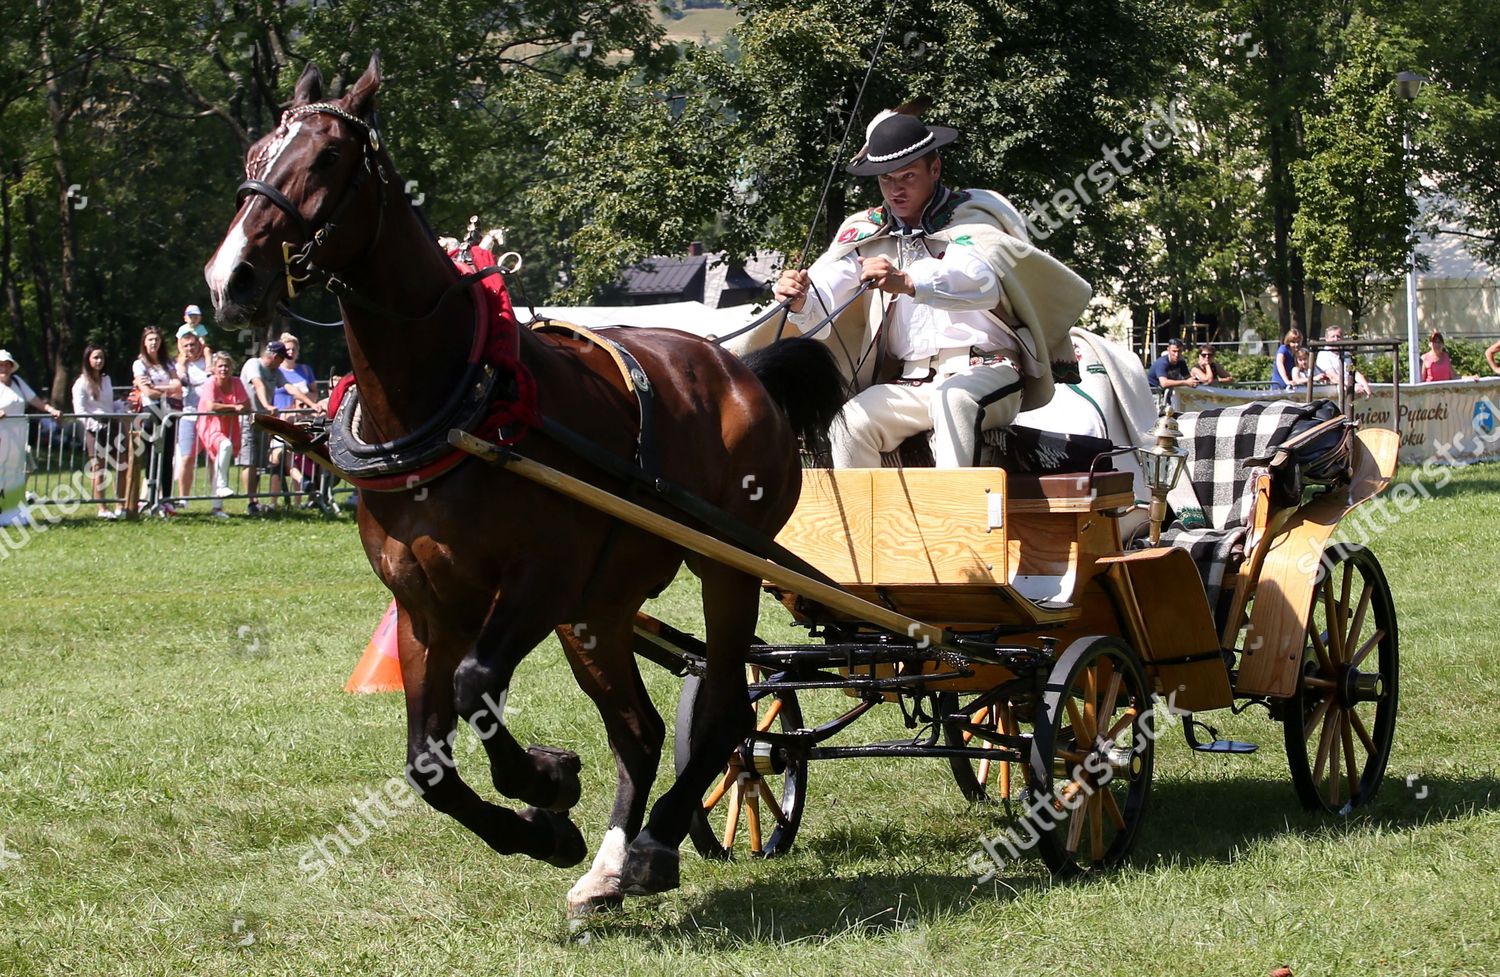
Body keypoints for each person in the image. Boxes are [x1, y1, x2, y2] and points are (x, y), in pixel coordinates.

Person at [771, 108, 1091, 467]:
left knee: (953, 401)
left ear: (934, 169)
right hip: (912, 382)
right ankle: (870, 524)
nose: (896, 190)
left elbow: (980, 281)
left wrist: (908, 281)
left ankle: (956, 523)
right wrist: (801, 299)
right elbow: (827, 293)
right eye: (886, 179)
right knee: (850, 423)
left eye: (907, 176)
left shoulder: (972, 217)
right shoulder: (869, 232)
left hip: (987, 369)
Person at [0, 348, 64, 526]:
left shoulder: (18, 382)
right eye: (0, 365)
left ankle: (12, 514)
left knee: (15, 475)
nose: (4, 368)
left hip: (17, 437)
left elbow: (34, 400)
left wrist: (51, 410)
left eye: (7, 364)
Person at [131, 326, 184, 516]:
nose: (154, 343)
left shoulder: (167, 363)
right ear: (144, 342)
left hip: (168, 411)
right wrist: (166, 388)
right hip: (150, 412)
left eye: (157, 339)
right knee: (152, 455)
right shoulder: (140, 364)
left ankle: (167, 499)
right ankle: (151, 499)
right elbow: (147, 392)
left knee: (167, 455)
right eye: (150, 339)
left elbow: (178, 386)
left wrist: (158, 387)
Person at [72, 344, 125, 519]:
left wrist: (122, 407)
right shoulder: (81, 383)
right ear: (88, 359)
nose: (99, 361)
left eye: (101, 357)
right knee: (99, 469)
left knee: (121, 465)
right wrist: (94, 425)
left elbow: (109, 403)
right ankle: (102, 508)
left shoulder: (107, 379)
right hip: (94, 429)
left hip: (112, 425)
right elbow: (79, 410)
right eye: (95, 357)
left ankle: (120, 505)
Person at [198, 352, 250, 518]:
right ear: (214, 368)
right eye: (220, 366)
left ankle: (217, 507)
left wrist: (237, 407)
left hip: (230, 426)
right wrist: (234, 408)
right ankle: (221, 487)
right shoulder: (210, 383)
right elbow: (210, 405)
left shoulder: (236, 382)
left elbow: (246, 404)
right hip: (210, 425)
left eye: (227, 366)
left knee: (222, 463)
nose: (223, 369)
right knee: (225, 446)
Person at [238, 340, 287, 514]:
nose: (282, 362)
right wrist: (267, 405)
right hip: (248, 419)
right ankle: (251, 502)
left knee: (258, 462)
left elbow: (290, 387)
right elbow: (257, 384)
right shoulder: (253, 364)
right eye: (281, 358)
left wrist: (312, 403)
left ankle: (255, 502)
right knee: (249, 461)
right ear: (275, 356)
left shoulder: (276, 371)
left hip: (262, 421)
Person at [173, 323, 212, 506]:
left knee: (214, 457)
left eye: (193, 344)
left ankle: (215, 500)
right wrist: (182, 372)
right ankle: (183, 498)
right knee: (186, 457)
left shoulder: (208, 360)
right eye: (186, 345)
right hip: (188, 415)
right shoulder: (180, 363)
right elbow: (179, 377)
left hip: (209, 416)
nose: (190, 348)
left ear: (199, 344)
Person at [1313, 325, 1371, 399]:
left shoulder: (1346, 353)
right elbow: (1332, 377)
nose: (1336, 339)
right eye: (1333, 336)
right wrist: (1352, 386)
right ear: (1326, 339)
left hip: (1348, 386)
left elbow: (1353, 372)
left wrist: (1366, 386)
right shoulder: (1323, 354)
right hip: (1332, 391)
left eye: (1338, 336)